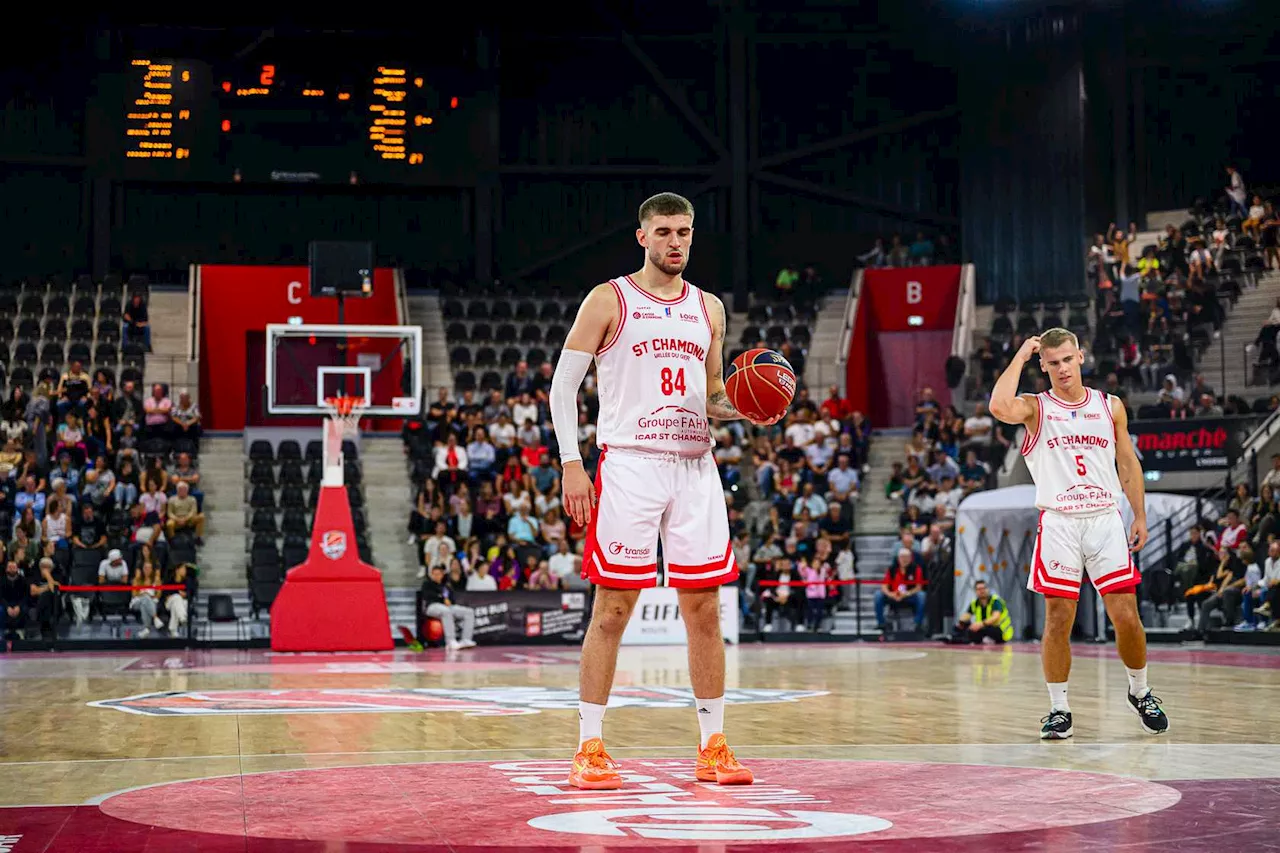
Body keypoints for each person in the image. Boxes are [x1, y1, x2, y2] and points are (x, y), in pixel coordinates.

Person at [550, 192, 779, 790]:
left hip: (694, 466)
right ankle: (589, 747)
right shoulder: (610, 298)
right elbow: (561, 387)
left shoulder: (709, 308)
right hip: (629, 464)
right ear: (643, 236)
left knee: (705, 609)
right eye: (666, 232)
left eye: (686, 232)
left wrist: (747, 409)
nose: (677, 242)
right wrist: (571, 464)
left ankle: (713, 746)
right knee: (612, 610)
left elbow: (711, 394)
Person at [989, 328, 1168, 739]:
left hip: (1105, 517)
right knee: (1058, 619)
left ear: (1080, 357)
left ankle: (1140, 692)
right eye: (1052, 363)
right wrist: (1020, 354)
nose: (1062, 369)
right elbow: (998, 405)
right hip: (1059, 520)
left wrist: (1138, 514)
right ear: (1044, 366)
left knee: (1126, 615)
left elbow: (1128, 463)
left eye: (1067, 360)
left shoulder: (1110, 406)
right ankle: (1059, 709)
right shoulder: (1036, 407)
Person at [420, 563, 476, 651]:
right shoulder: (427, 584)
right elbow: (428, 596)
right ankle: (450, 641)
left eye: (438, 574)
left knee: (469, 612)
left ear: (442, 574)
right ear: (431, 574)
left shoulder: (446, 586)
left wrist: (449, 601)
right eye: (434, 574)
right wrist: (442, 598)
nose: (436, 576)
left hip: (447, 607)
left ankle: (466, 639)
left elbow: (452, 599)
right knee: (446, 611)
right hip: (432, 606)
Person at [949, 580, 1013, 644]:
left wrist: (980, 624)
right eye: (979, 589)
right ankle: (953, 638)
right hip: (983, 628)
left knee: (982, 629)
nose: (982, 591)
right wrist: (961, 623)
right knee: (960, 627)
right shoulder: (975, 603)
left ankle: (972, 639)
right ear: (975, 591)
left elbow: (995, 617)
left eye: (984, 588)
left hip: (1001, 632)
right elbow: (966, 615)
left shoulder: (995, 601)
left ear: (987, 589)